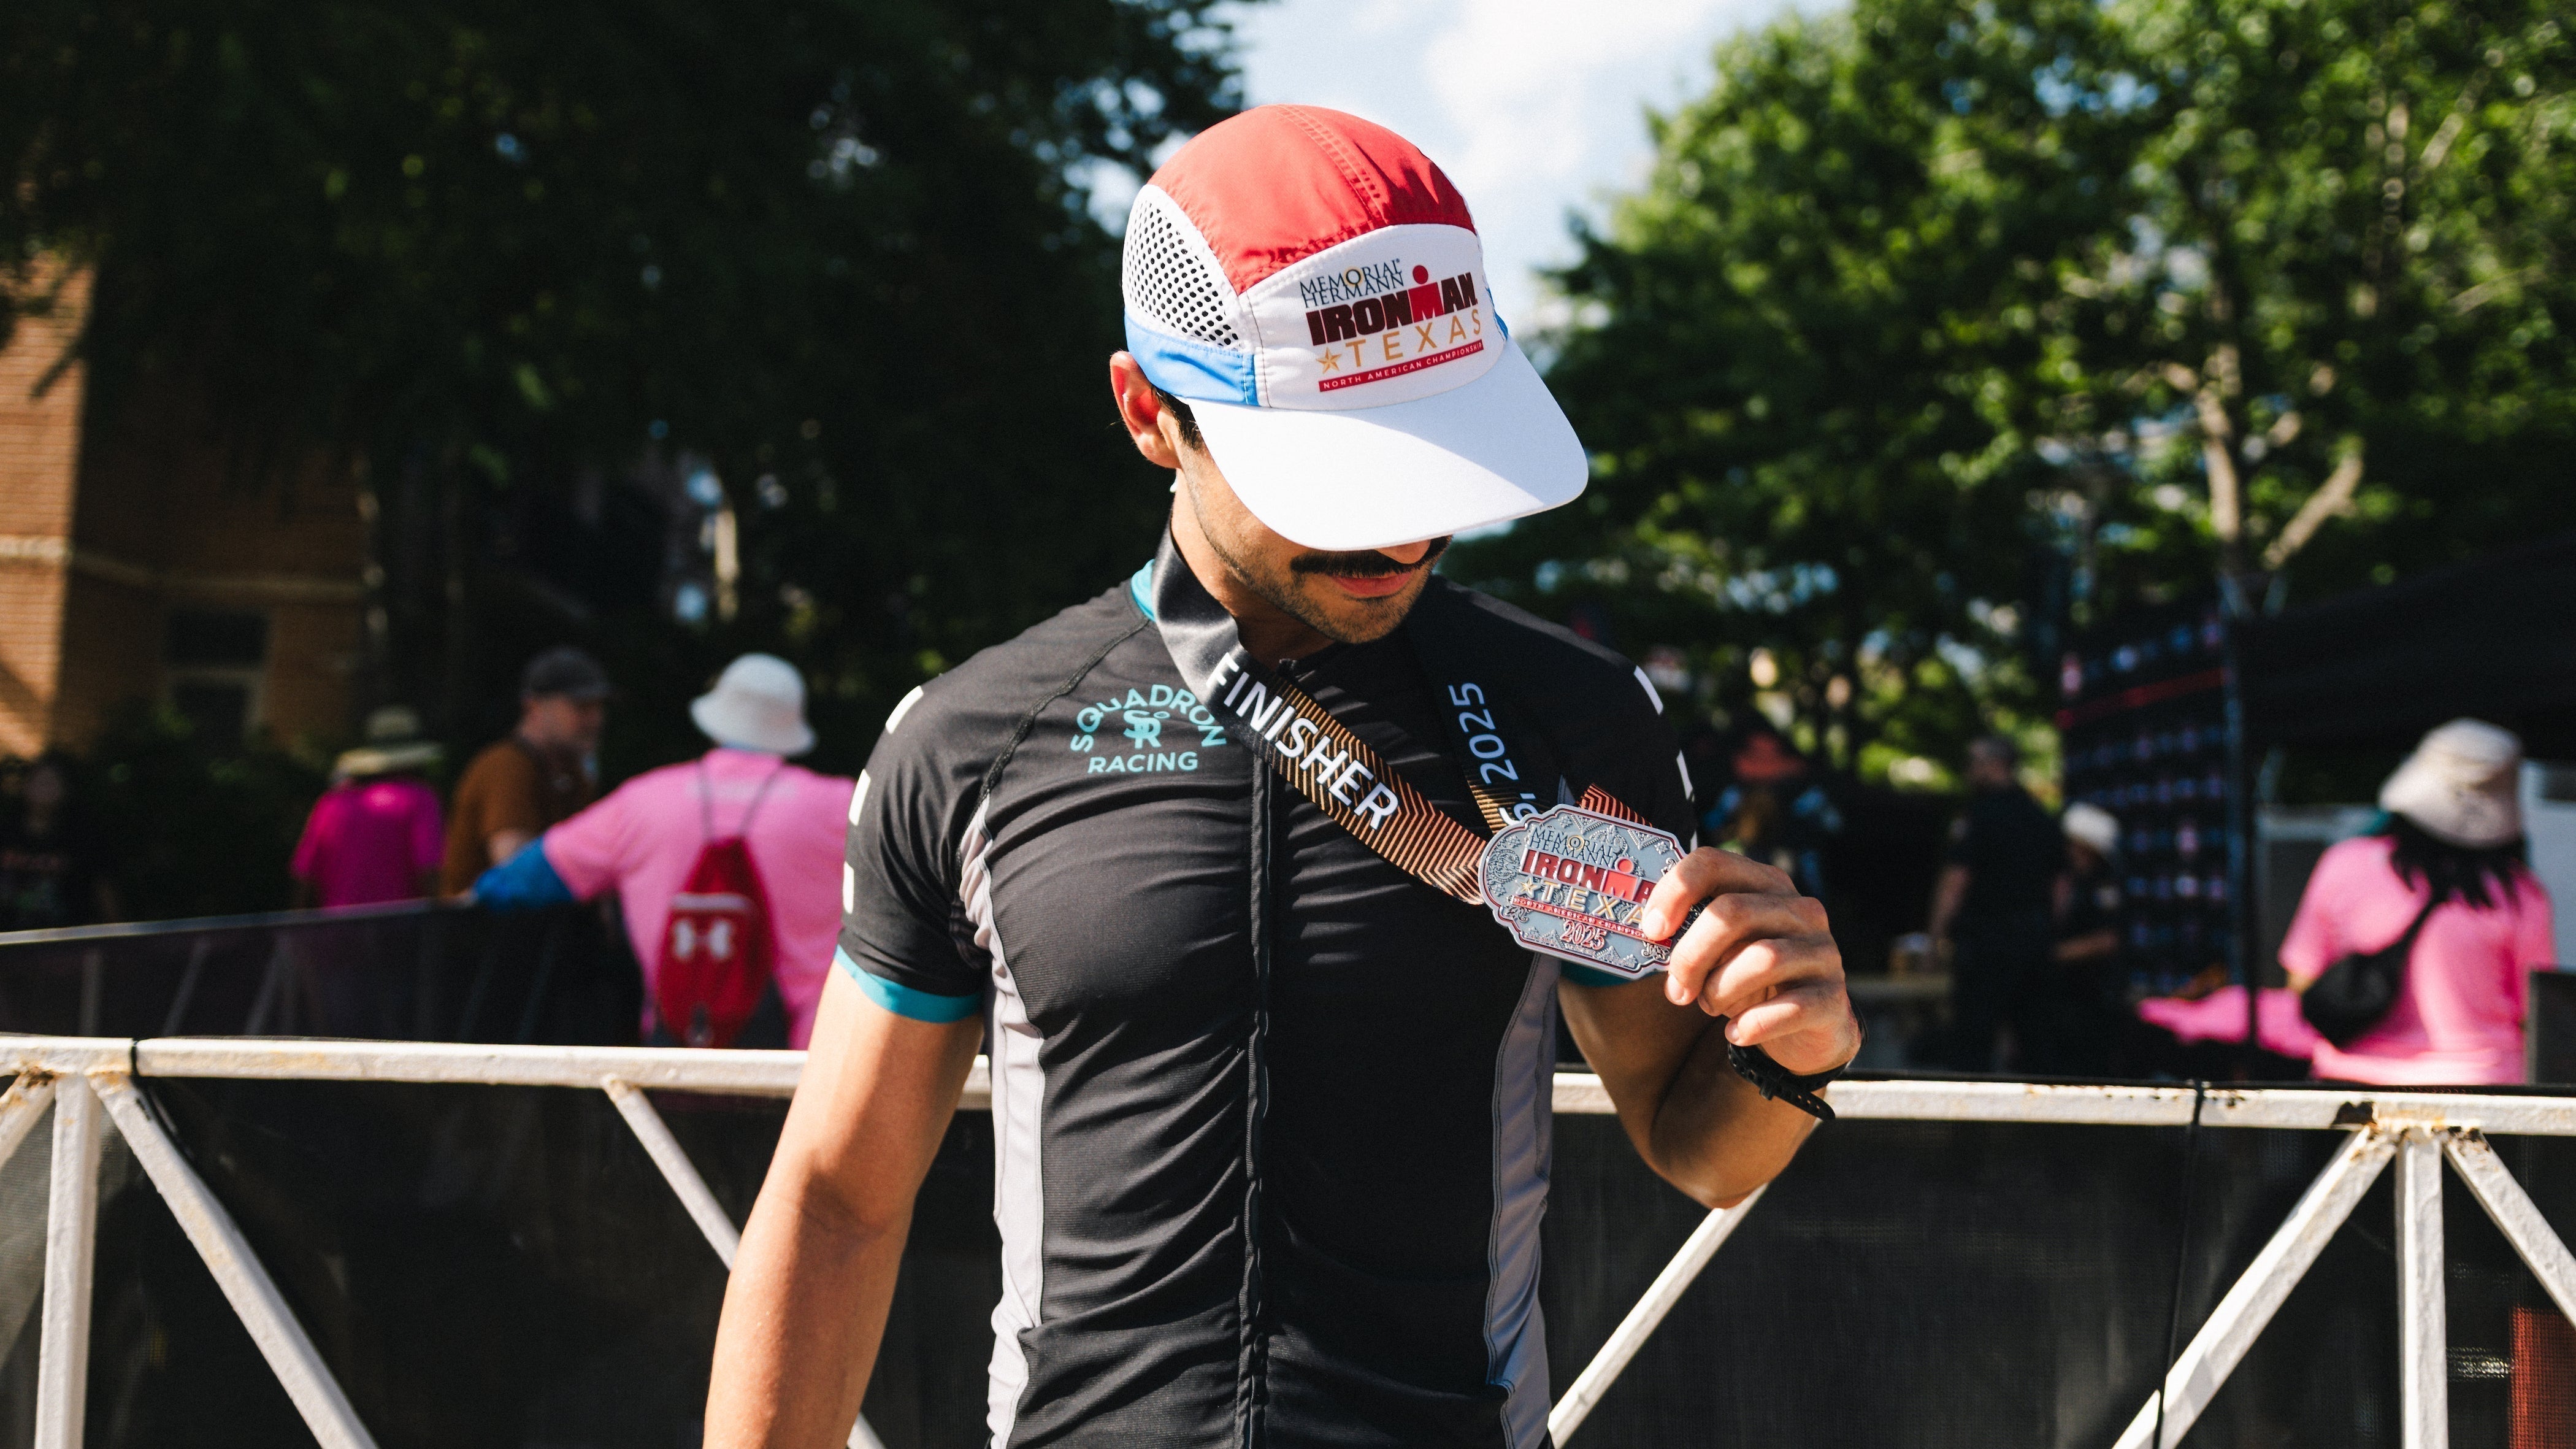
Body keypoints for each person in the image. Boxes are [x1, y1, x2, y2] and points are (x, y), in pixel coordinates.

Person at [703, 106, 1857, 1449]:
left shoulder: (1576, 716)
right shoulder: (969, 740)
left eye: (1430, 454)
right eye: (1332, 474)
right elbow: (840, 1194)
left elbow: (1693, 1137)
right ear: (1150, 413)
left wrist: (1795, 1052)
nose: (1401, 527)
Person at [472, 654, 853, 1048]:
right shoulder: (842, 806)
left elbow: (517, 882)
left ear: (714, 720)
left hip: (680, 1053)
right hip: (805, 1062)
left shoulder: (643, 801)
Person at [2282, 719, 2555, 1085]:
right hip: (2485, 1095)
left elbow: (2300, 981)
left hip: (2353, 1089)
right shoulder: (2521, 894)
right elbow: (2536, 1016)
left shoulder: (2345, 863)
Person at [1930, 735, 2063, 1072]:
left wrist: (1935, 936)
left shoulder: (1977, 816)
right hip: (2033, 941)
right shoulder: (2040, 815)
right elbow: (2062, 885)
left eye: (1974, 762)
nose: (1969, 770)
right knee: (2035, 1043)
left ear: (1995, 764)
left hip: (1986, 943)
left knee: (1973, 1042)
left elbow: (1956, 881)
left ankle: (1967, 1122)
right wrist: (2049, 931)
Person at [439, 646, 609, 896]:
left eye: (598, 707)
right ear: (534, 708)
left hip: (532, 931)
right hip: (480, 932)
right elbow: (516, 871)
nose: (596, 719)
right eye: (581, 707)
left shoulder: (571, 772)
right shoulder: (506, 767)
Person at [289, 706, 446, 909]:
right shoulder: (420, 799)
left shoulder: (331, 803)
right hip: (401, 930)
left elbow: (304, 879)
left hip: (337, 931)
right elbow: (429, 871)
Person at [1703, 722, 1843, 902]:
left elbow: (1833, 825)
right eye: (1756, 756)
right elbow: (1712, 827)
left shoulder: (1805, 793)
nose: (1766, 763)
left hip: (1799, 883)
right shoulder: (1733, 795)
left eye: (1773, 754)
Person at [0, 755, 116, 931]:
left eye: (52, 782)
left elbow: (101, 887)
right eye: (39, 781)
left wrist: (115, 933)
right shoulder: (7, 832)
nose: (45, 789)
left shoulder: (80, 838)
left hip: (65, 941)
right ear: (25, 786)